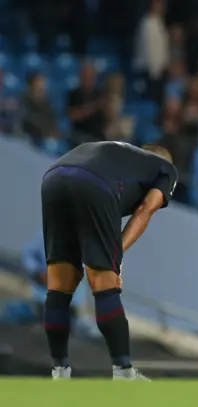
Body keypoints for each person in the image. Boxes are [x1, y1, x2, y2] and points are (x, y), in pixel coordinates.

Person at [41, 141, 178, 380]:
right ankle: (123, 371)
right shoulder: (165, 168)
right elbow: (146, 208)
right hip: (96, 184)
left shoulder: (120, 155)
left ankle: (59, 371)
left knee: (60, 285)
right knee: (105, 284)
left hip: (53, 177)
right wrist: (117, 251)